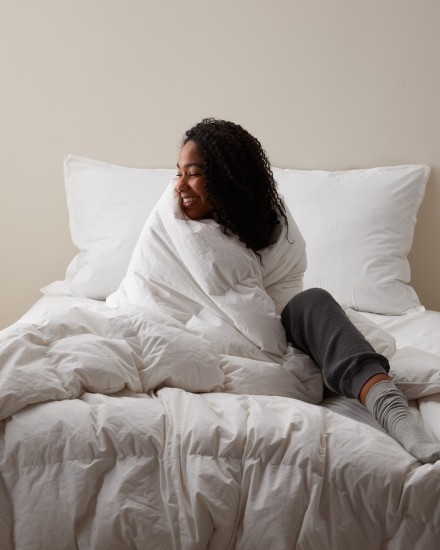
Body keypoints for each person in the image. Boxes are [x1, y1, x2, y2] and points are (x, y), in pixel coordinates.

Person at [174, 117, 440, 464]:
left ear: (227, 176)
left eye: (192, 173)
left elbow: (283, 291)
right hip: (210, 329)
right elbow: (154, 289)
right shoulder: (171, 226)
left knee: (315, 302)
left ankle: (394, 412)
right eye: (177, 172)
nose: (180, 185)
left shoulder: (273, 227)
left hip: (279, 322)